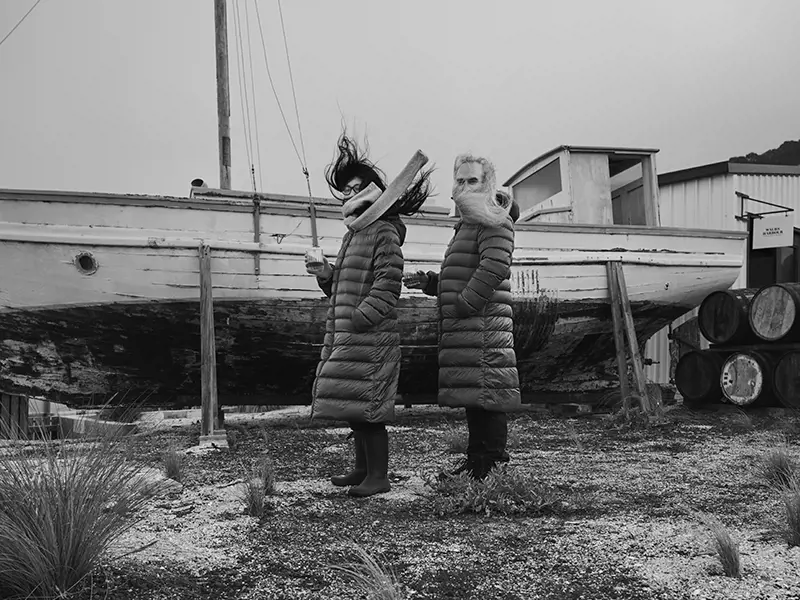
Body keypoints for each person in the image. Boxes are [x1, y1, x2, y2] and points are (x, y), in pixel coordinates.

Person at [306, 131, 432, 497]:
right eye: (345, 190)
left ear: (374, 189)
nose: (349, 194)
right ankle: (362, 469)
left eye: (356, 188)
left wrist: (359, 319)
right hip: (348, 334)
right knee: (354, 406)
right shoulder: (353, 235)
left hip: (370, 337)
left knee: (370, 409)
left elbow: (387, 286)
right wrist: (326, 274)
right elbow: (340, 288)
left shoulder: (384, 232)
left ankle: (379, 476)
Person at [404, 153, 521, 480]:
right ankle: (476, 463)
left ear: (487, 183)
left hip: (483, 325)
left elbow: (495, 266)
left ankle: (491, 466)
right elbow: (465, 272)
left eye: (473, 180)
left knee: (489, 397)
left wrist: (465, 304)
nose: (466, 186)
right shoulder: (468, 222)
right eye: (461, 180)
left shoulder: (494, 218)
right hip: (469, 324)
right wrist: (431, 283)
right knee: (476, 397)